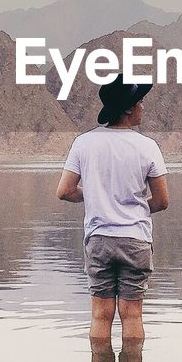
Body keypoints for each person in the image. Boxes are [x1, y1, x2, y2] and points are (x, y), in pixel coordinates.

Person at [56, 75, 169, 343]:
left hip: (99, 240)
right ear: (128, 108)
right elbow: (162, 201)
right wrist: (134, 209)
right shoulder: (148, 147)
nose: (143, 107)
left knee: (100, 315)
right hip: (136, 241)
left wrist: (98, 198)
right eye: (140, 102)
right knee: (132, 315)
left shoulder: (83, 143)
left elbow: (65, 191)